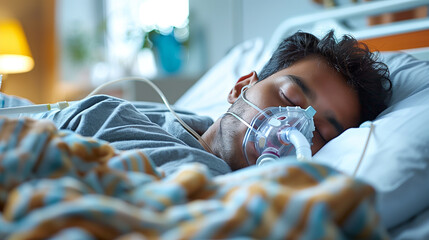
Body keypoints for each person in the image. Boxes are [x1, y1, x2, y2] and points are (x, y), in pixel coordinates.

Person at [0, 30, 391, 176]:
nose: (292, 128)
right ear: (240, 88)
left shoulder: (205, 184)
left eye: (320, 132)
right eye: (288, 98)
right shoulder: (174, 121)